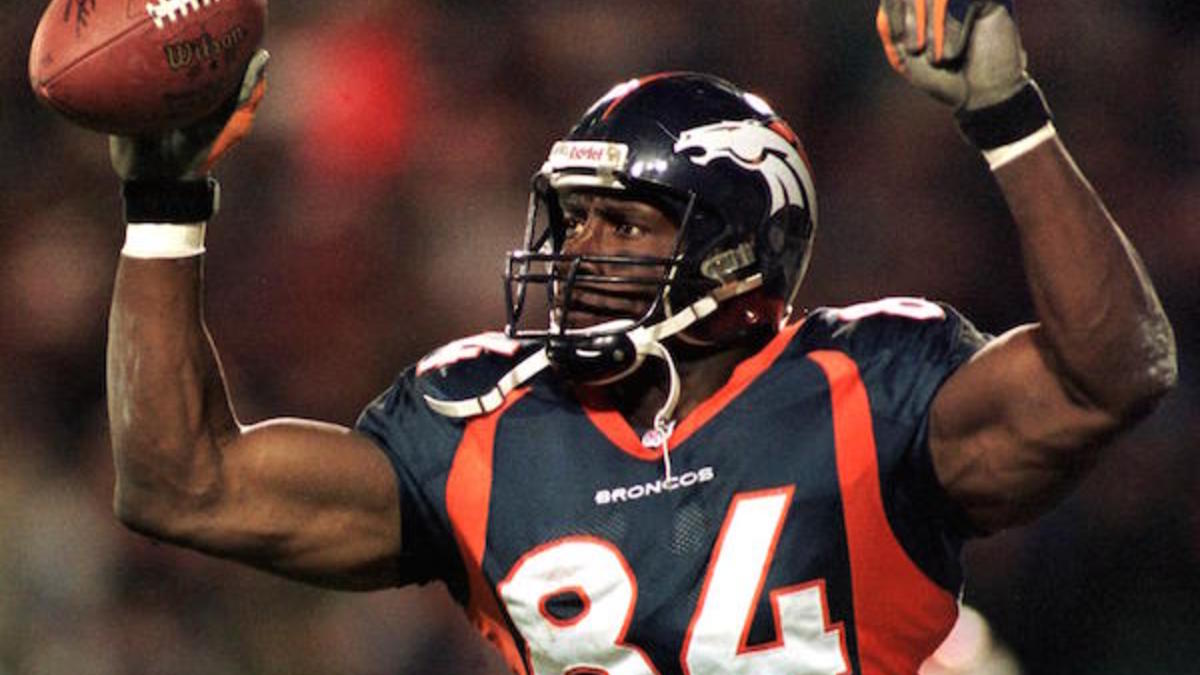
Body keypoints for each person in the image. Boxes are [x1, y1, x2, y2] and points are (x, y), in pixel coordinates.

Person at [104, 1, 1176, 673]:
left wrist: (1010, 120)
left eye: (624, 222)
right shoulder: (484, 420)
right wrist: (164, 197)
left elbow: (1113, 372)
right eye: (571, 222)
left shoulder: (867, 387)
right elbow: (180, 484)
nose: (578, 253)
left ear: (737, 246)